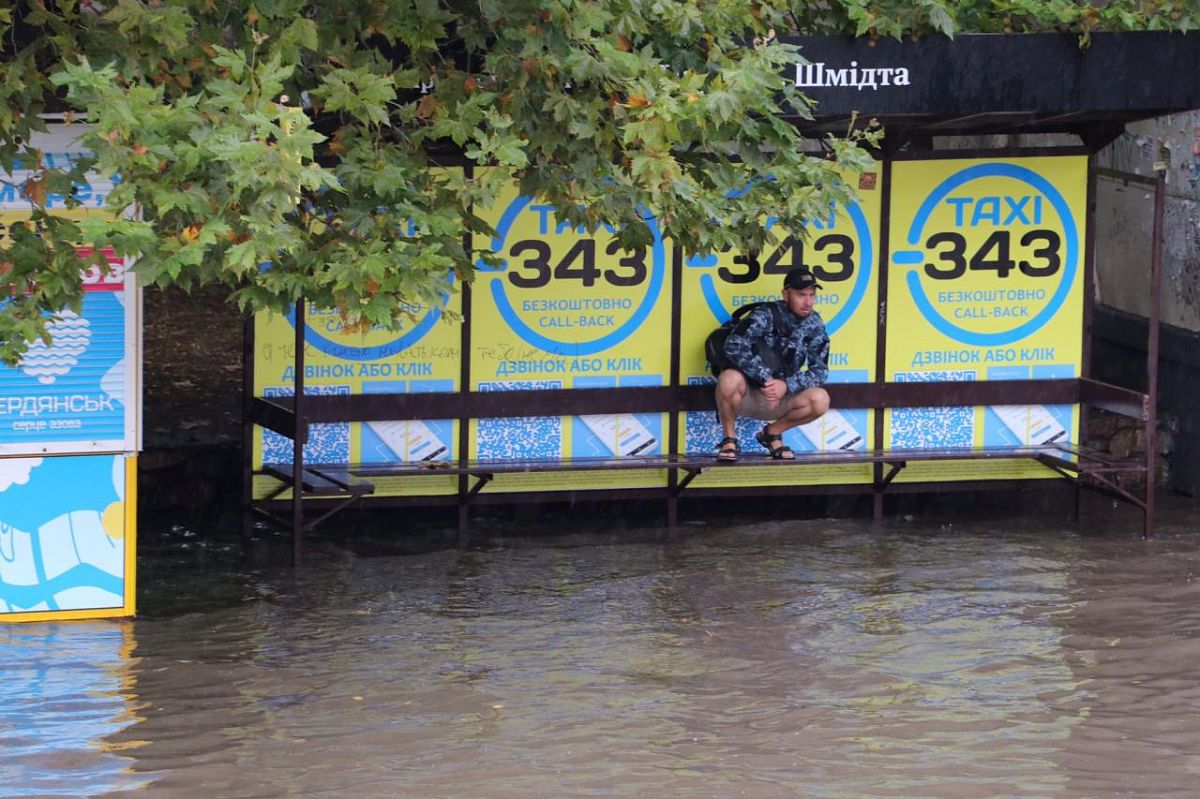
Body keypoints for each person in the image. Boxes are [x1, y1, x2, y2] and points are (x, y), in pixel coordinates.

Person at [714, 265, 831, 462]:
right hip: (750, 394)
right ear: (786, 294)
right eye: (801, 295)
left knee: (820, 399)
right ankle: (729, 439)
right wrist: (765, 379)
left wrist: (786, 385)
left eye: (812, 295)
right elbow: (734, 344)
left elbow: (820, 372)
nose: (808, 302)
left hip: (783, 398)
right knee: (729, 378)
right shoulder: (766, 314)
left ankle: (772, 433)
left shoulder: (815, 323)